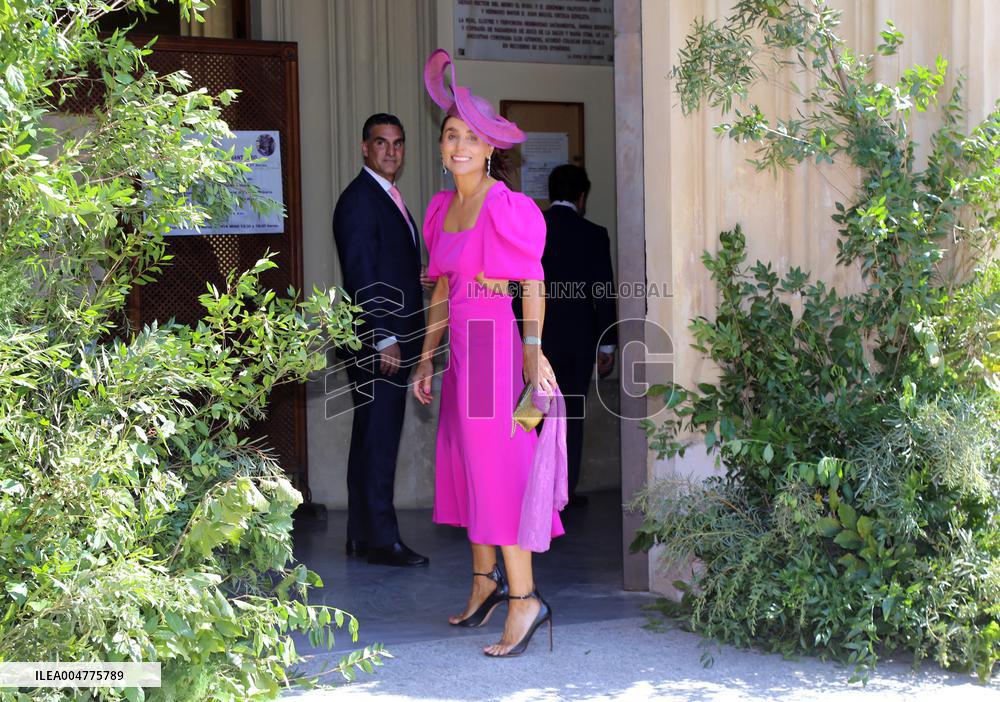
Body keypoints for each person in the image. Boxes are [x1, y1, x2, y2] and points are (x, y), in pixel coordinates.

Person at [412, 49, 564, 658]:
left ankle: (525, 598)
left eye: (471, 137)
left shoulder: (505, 206)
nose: (459, 146)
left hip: (497, 351)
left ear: (490, 147)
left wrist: (532, 356)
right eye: (452, 135)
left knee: (500, 472)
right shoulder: (442, 207)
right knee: (468, 469)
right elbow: (444, 289)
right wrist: (426, 356)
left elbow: (533, 283)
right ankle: (485, 582)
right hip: (461, 355)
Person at [332, 113, 428, 567]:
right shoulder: (359, 200)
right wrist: (384, 337)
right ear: (364, 148)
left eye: (398, 143)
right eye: (381, 143)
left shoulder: (385, 197)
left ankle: (360, 533)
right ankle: (380, 540)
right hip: (379, 342)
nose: (391, 151)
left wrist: (416, 277)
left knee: (372, 436)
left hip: (389, 336)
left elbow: (385, 261)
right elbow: (361, 275)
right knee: (380, 438)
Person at [540, 164, 617, 507]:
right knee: (572, 414)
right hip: (579, 341)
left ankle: (535, 490)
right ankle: (563, 494)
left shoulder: (533, 228)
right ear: (581, 197)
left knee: (535, 412)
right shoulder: (594, 234)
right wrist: (608, 343)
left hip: (537, 339)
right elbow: (604, 291)